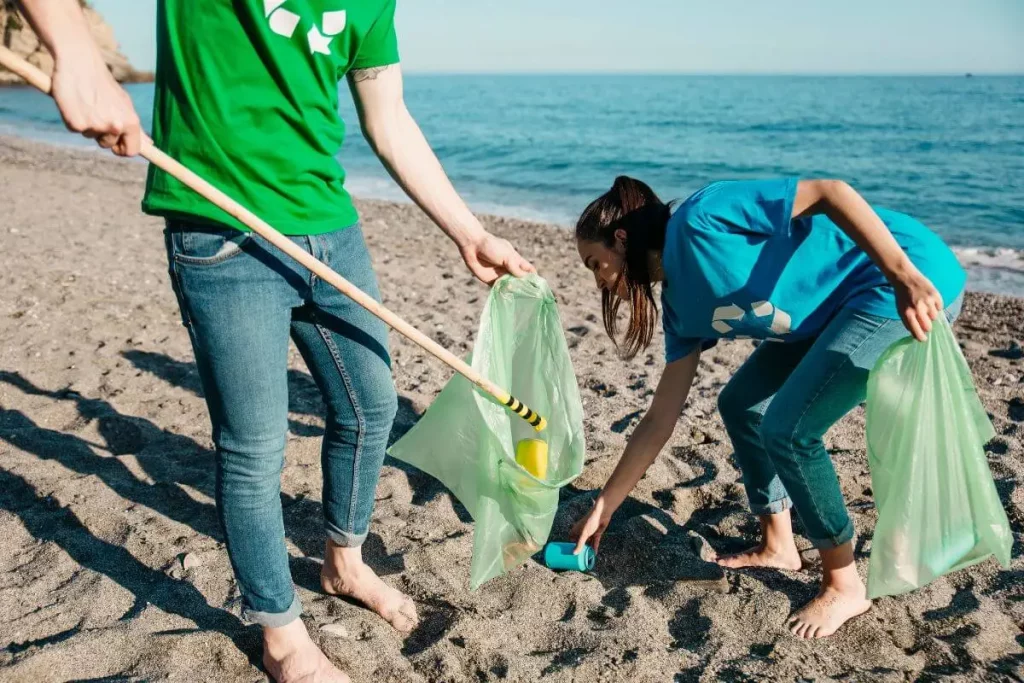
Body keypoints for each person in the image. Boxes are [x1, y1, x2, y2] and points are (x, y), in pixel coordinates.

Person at [17, 1, 534, 680]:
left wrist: (469, 231)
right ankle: (282, 635)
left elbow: (389, 119)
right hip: (220, 232)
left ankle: (344, 562)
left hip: (330, 227)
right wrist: (76, 52)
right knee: (255, 446)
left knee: (370, 404)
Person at [569, 175, 965, 639]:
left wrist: (903, 275)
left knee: (790, 428)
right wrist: (606, 504)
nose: (599, 280)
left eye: (596, 264)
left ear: (622, 239)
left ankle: (844, 583)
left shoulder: (702, 218)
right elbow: (660, 418)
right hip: (831, 311)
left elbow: (830, 192)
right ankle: (778, 543)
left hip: (900, 281)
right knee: (742, 404)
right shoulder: (680, 310)